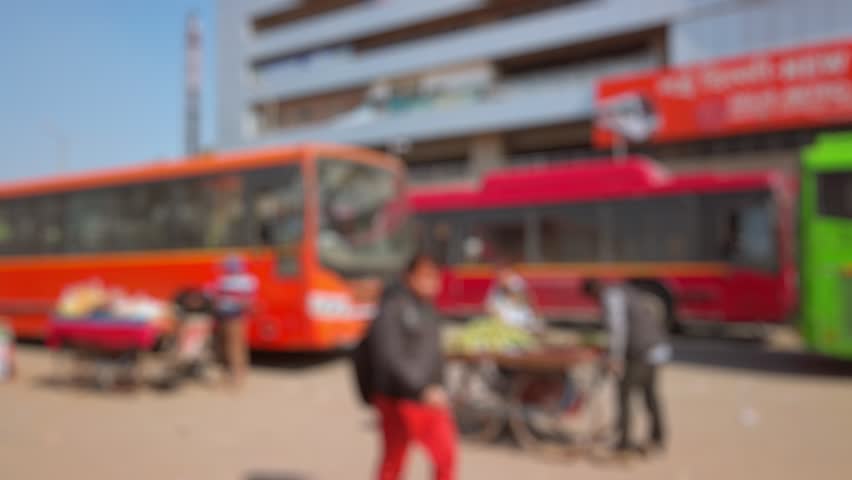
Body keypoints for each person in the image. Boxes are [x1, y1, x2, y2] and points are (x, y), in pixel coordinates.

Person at [354, 252, 456, 480]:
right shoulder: (393, 308)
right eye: (425, 275)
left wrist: (441, 386)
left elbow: (432, 355)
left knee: (444, 458)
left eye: (434, 276)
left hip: (427, 396)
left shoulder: (427, 308)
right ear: (409, 276)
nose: (431, 282)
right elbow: (389, 357)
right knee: (395, 460)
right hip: (401, 397)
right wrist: (421, 389)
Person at [582, 278, 670, 453]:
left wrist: (615, 358)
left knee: (624, 392)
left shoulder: (611, 297)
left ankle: (624, 441)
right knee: (649, 394)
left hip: (642, 351)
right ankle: (657, 437)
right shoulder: (624, 291)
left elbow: (618, 330)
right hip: (655, 347)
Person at [211, 255, 258, 389]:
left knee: (235, 347)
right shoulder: (224, 279)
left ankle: (237, 377)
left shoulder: (246, 281)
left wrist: (232, 301)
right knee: (223, 347)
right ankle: (227, 375)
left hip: (235, 318)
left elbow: (249, 302)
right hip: (222, 317)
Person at [484, 262, 542, 333]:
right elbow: (489, 306)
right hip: (504, 321)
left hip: (519, 317)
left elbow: (524, 300)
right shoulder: (496, 287)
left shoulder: (515, 283)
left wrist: (509, 289)